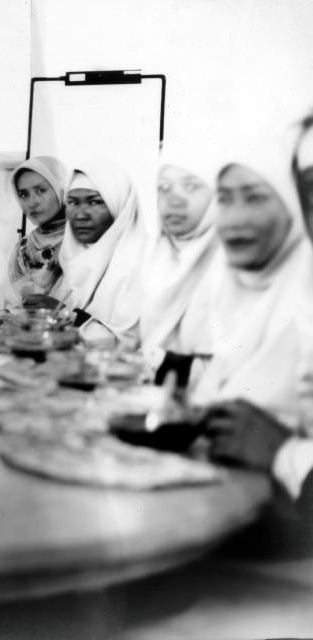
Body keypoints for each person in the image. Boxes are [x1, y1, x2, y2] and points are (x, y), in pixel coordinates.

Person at [198, 121, 313, 510]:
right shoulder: (227, 285)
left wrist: (285, 454)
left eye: (256, 197)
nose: (234, 219)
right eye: (225, 199)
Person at [138, 159, 222, 385]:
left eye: (192, 186)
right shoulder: (155, 254)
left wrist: (152, 363)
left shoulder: (231, 262)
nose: (173, 200)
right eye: (163, 188)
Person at [53, 161, 148, 348]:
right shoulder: (73, 256)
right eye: (72, 202)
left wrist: (66, 318)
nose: (80, 215)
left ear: (120, 204)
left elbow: (131, 341)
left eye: (95, 202)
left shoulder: (141, 261)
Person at [7, 156, 68, 304]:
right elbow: (13, 304)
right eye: (23, 194)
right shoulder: (23, 248)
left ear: (60, 189)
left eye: (41, 190)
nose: (32, 202)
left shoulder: (80, 240)